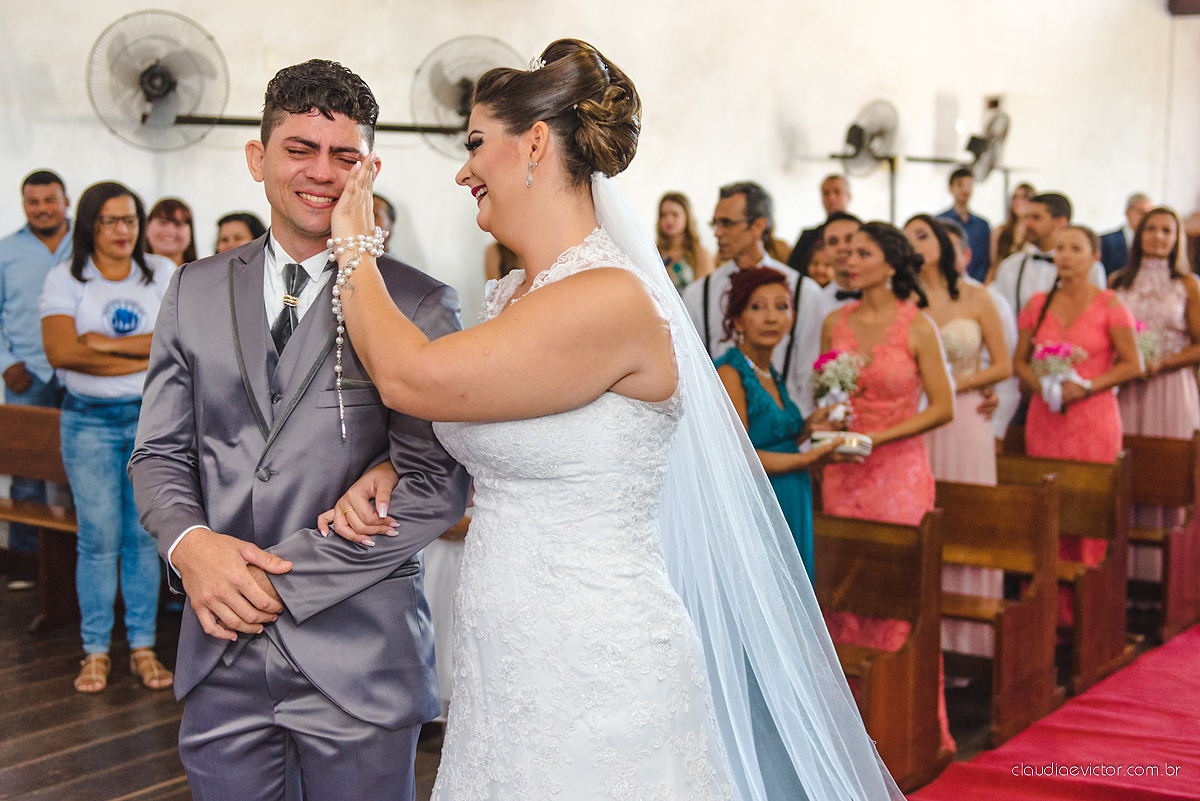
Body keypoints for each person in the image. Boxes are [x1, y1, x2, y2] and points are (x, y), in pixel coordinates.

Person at [324, 38, 903, 801]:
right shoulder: (515, 297)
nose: (463, 171)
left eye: (473, 145)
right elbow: (497, 425)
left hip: (594, 660)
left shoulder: (609, 296)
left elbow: (408, 377)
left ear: (533, 143)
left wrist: (355, 247)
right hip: (507, 661)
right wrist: (394, 466)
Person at [127, 59, 470, 801]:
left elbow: (439, 482)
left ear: (368, 169)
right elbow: (157, 452)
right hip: (220, 650)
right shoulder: (192, 289)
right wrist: (192, 548)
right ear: (259, 158)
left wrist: (281, 582)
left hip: (359, 656)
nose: (321, 172)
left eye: (344, 155)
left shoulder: (419, 302)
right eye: (298, 149)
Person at [818, 221, 955, 754]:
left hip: (897, 472)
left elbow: (942, 407)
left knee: (897, 591)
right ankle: (847, 730)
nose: (849, 260)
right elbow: (831, 391)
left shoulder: (918, 326)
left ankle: (906, 723)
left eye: (862, 252)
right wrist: (832, 423)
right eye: (846, 253)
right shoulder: (837, 322)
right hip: (844, 471)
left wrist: (879, 436)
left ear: (891, 263)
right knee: (845, 589)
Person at [38, 181, 175, 693]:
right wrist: (141, 352)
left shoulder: (160, 271)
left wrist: (98, 341)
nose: (124, 230)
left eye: (131, 220)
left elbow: (173, 343)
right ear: (90, 225)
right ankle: (94, 651)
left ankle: (142, 646)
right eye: (111, 221)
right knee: (97, 540)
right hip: (88, 420)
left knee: (142, 538)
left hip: (149, 420)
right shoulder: (67, 277)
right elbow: (61, 353)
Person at [1014, 225, 1140, 622]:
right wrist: (1044, 387)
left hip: (1093, 419)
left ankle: (1089, 616)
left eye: (1075, 248)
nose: (1065, 255)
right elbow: (1019, 362)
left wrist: (1086, 387)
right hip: (1046, 419)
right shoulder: (1037, 303)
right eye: (1060, 248)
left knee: (1088, 512)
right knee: (1048, 509)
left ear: (1094, 257)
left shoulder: (1109, 303)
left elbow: (1133, 363)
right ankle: (1045, 614)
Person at [906, 214, 1011, 660]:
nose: (915, 243)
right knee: (922, 513)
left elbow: (1003, 365)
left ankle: (968, 646)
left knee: (966, 516)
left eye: (923, 235)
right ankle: (922, 640)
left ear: (946, 246)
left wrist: (951, 386)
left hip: (966, 418)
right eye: (907, 236)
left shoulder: (977, 296)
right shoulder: (904, 302)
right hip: (919, 418)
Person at [715, 266, 855, 580]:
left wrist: (808, 425)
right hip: (759, 504)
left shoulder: (769, 372)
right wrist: (809, 458)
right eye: (757, 307)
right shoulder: (730, 373)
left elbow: (773, 433)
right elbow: (738, 455)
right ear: (738, 320)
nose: (771, 317)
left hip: (792, 495)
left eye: (781, 307)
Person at [682, 182, 825, 415]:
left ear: (758, 226)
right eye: (715, 224)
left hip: (787, 430)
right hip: (720, 423)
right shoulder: (699, 294)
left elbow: (808, 372)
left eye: (727, 223)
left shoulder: (803, 291)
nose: (718, 233)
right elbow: (694, 370)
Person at [1111, 207, 1200, 580]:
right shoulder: (1119, 281)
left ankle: (1168, 579)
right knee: (1129, 472)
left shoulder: (1189, 284)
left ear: (1176, 237)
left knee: (1170, 475)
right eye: (1151, 229)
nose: (1158, 236)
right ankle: (1123, 576)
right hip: (1128, 388)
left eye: (1166, 230)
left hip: (1170, 387)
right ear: (1139, 233)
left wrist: (1161, 364)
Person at [0, 170, 71, 588]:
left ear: (66, 200)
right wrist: (5, 362)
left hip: (81, 376)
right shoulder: (6, 251)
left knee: (82, 469)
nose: (42, 208)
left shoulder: (88, 245)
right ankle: (27, 565)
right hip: (25, 376)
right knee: (26, 473)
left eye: (50, 199)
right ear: (24, 204)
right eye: (33, 201)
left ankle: (77, 563)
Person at [940, 218, 1016, 445]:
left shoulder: (989, 299)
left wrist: (998, 427)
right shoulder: (912, 300)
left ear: (966, 256)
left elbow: (1006, 368)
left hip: (975, 406)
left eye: (949, 251)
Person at [990, 192, 1107, 327]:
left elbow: (1097, 315)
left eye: (1036, 218)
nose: (1028, 223)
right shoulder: (1010, 266)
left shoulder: (1089, 268)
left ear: (1060, 223)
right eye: (1026, 217)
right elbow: (1002, 318)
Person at [787, 174, 851, 272]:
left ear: (848, 197)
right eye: (826, 193)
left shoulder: (863, 234)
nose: (831, 198)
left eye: (837, 192)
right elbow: (792, 273)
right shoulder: (808, 237)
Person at [937, 166, 991, 282]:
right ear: (951, 188)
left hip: (976, 284)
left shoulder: (982, 225)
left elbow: (985, 260)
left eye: (969, 185)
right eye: (960, 185)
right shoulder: (939, 222)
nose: (965, 190)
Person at [656, 191, 714, 290]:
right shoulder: (655, 253)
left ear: (687, 217)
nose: (668, 220)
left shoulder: (700, 254)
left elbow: (706, 295)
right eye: (663, 215)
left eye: (675, 214)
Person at [1100, 192, 1154, 276]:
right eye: (1141, 212)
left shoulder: (1155, 243)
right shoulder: (1106, 241)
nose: (1146, 218)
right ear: (1128, 212)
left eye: (1150, 214)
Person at [990, 182, 1035, 266]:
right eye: (1015, 197)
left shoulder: (1035, 233)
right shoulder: (999, 231)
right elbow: (994, 265)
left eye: (1024, 197)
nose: (1018, 202)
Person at [144, 198, 197, 267]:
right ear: (147, 226)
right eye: (163, 222)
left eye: (178, 224)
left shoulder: (203, 274)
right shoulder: (133, 273)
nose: (170, 231)